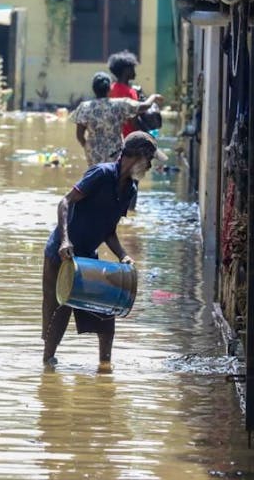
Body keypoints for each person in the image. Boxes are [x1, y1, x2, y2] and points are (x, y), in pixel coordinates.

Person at [42, 131, 167, 371]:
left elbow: (109, 231)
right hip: (61, 254)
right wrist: (65, 241)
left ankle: (105, 368)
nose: (150, 166)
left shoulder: (130, 189)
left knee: (105, 313)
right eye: (148, 160)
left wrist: (123, 255)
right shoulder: (101, 174)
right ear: (136, 157)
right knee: (59, 313)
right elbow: (65, 202)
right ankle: (47, 365)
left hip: (87, 259)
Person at [73, 72, 162, 167]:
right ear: (109, 88)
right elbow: (145, 106)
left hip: (93, 152)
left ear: (94, 89)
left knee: (97, 175)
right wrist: (154, 97)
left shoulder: (84, 107)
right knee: (114, 174)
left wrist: (87, 147)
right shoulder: (120, 104)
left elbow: (79, 135)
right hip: (115, 151)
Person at [107, 50, 154, 138]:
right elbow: (134, 122)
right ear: (126, 70)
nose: (134, 71)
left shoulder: (110, 89)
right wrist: (147, 136)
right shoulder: (130, 92)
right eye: (132, 68)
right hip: (128, 138)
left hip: (113, 137)